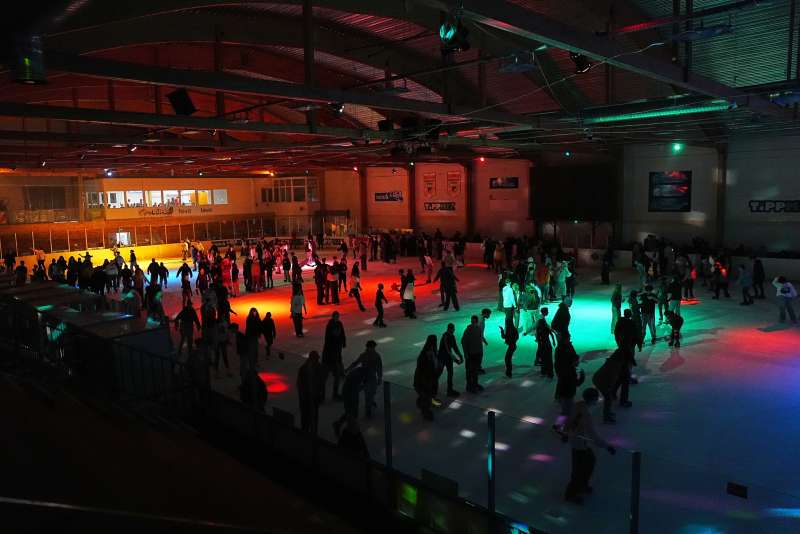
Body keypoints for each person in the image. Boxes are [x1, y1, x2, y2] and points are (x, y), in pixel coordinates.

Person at [559, 388, 616, 505]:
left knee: (588, 463)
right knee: (580, 469)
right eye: (596, 398)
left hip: (576, 441)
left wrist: (565, 432)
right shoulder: (586, 416)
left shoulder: (578, 405)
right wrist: (607, 446)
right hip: (580, 444)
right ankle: (571, 494)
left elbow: (568, 420)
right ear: (592, 399)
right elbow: (593, 435)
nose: (597, 400)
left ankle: (581, 486)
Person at [345, 340, 383, 418]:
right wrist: (348, 369)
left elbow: (379, 368)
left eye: (372, 347)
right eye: (371, 347)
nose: (371, 349)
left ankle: (370, 403)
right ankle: (368, 410)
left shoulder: (375, 356)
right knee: (368, 393)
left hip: (370, 377)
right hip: (366, 377)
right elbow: (356, 363)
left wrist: (379, 377)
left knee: (371, 392)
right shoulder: (371, 355)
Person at [332, 365, 368, 436]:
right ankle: (347, 429)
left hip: (350, 393)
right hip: (350, 394)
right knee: (351, 413)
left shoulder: (358, 372)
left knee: (351, 412)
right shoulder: (358, 375)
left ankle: (340, 424)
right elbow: (356, 387)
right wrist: (363, 386)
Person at [592, 351, 625, 424]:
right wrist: (610, 387)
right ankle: (606, 417)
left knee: (608, 398)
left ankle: (608, 413)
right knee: (608, 399)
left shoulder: (613, 362)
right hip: (600, 381)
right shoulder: (615, 365)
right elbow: (613, 377)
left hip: (599, 379)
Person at [554, 332, 583, 416]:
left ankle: (564, 399)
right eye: (567, 338)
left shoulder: (569, 346)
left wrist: (575, 359)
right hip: (564, 372)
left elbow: (574, 354)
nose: (569, 339)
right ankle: (560, 424)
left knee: (567, 410)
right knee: (565, 411)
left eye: (569, 338)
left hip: (569, 371)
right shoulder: (560, 349)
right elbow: (559, 362)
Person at [322, 311, 347, 401]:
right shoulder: (330, 326)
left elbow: (342, 333)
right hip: (330, 355)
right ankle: (322, 395)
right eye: (336, 316)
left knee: (339, 361)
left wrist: (343, 342)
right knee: (326, 376)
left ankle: (341, 372)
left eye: (338, 316)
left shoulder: (339, 324)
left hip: (336, 350)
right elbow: (327, 339)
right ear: (333, 317)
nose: (337, 318)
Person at [297, 350, 324, 434]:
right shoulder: (304, 369)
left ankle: (312, 431)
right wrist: (302, 395)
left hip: (313, 396)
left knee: (313, 415)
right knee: (306, 415)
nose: (317, 361)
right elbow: (300, 384)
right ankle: (306, 430)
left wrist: (320, 394)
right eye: (316, 359)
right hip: (306, 397)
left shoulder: (318, 367)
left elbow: (321, 382)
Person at [413, 335, 439, 421]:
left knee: (428, 394)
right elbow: (422, 368)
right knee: (426, 395)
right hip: (424, 379)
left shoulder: (431, 352)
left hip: (429, 378)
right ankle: (425, 410)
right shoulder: (425, 354)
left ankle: (424, 404)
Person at [437, 323, 463, 397]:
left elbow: (455, 347)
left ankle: (449, 390)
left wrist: (460, 355)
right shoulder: (445, 337)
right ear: (449, 329)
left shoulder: (452, 336)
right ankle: (432, 387)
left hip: (448, 358)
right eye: (453, 329)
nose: (454, 330)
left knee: (450, 374)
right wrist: (456, 359)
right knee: (439, 373)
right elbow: (448, 350)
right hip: (442, 358)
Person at [461, 315, 484, 394]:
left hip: (477, 353)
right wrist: (466, 354)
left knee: (475, 370)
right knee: (469, 371)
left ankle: (475, 384)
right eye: (472, 322)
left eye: (474, 322)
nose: (473, 323)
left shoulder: (478, 329)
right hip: (470, 354)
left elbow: (479, 341)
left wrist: (481, 352)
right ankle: (469, 386)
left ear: (476, 322)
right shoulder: (468, 330)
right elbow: (463, 342)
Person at [535, 307, 556, 378]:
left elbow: (550, 332)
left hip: (543, 344)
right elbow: (551, 333)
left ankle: (544, 371)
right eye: (547, 311)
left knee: (544, 358)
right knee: (548, 359)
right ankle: (549, 373)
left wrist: (537, 339)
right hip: (546, 344)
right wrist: (554, 341)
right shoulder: (542, 324)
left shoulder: (541, 325)